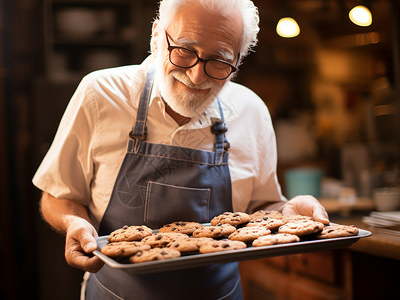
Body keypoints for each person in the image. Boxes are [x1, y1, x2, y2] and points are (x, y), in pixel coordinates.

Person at [32, 0, 329, 299]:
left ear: (238, 61)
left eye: (219, 60)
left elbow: (259, 211)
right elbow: (58, 193)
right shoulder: (101, 95)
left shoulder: (252, 112)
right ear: (156, 36)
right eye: (185, 50)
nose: (196, 76)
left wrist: (286, 212)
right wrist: (75, 222)